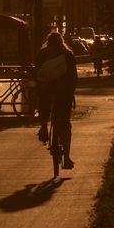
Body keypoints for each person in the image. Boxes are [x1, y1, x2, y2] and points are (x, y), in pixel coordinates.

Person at [32, 30, 78, 176]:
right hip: (63, 93)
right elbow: (73, 77)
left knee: (44, 104)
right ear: (61, 42)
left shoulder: (42, 54)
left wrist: (39, 88)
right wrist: (71, 93)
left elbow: (36, 74)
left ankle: (43, 127)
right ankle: (67, 158)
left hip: (46, 91)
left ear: (48, 42)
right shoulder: (68, 55)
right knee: (65, 123)